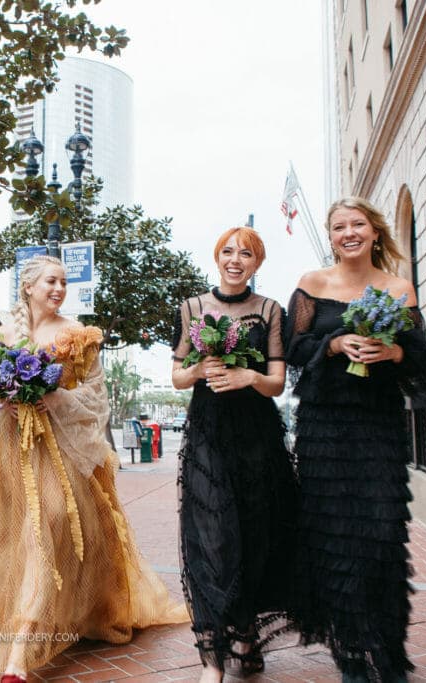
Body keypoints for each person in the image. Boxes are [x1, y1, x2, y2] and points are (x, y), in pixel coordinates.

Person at [0, 255, 188, 683]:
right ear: (29, 287)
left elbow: (96, 399)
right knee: (25, 538)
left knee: (49, 526)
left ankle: (19, 653)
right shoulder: (5, 334)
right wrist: (4, 401)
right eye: (50, 282)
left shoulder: (77, 334)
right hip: (16, 453)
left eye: (63, 282)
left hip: (61, 454)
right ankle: (45, 621)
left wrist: (54, 398)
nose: (59, 289)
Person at [285, 197, 426, 682]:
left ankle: (387, 649)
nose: (348, 233)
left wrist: (392, 352)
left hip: (378, 426)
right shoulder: (312, 284)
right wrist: (334, 343)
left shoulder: (398, 288)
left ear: (374, 232)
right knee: (335, 539)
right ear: (331, 237)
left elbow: (421, 357)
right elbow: (292, 347)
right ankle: (350, 652)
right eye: (338, 227)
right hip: (324, 428)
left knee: (382, 533)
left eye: (357, 224)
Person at [170, 227, 297, 682]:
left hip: (257, 435)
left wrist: (250, 377)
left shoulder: (270, 310)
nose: (235, 259)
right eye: (228, 251)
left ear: (256, 263)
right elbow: (177, 377)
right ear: (217, 257)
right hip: (209, 433)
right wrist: (198, 369)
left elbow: (277, 382)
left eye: (246, 253)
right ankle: (212, 657)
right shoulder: (192, 307)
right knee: (211, 537)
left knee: (255, 535)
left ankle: (245, 634)